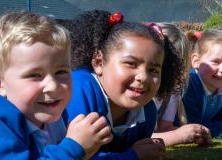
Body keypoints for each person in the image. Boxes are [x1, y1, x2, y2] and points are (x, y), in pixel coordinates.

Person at [0, 11, 111, 159]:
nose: (53, 86)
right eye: (34, 75)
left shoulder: (51, 116)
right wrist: (74, 147)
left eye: (61, 72)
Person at [65, 10, 176, 160]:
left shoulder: (147, 112)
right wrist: (133, 156)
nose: (143, 77)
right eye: (131, 63)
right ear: (99, 62)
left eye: (153, 70)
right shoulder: (80, 89)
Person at [151, 23, 212, 146]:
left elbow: (165, 127)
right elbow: (135, 138)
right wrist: (178, 136)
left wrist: (193, 132)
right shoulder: (140, 91)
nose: (171, 69)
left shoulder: (172, 91)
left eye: (177, 64)